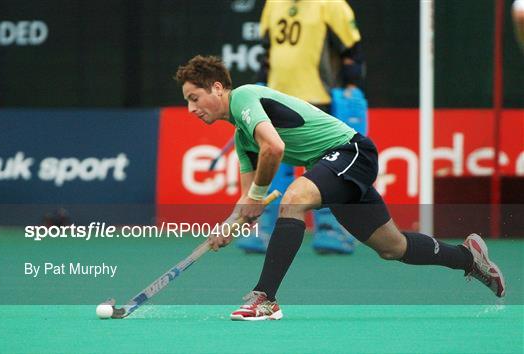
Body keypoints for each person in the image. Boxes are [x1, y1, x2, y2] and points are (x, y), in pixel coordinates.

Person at [174, 55, 506, 321]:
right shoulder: (241, 138)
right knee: (392, 247)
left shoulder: (245, 96)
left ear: (217, 88)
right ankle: (468, 258)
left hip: (351, 152)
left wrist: (255, 200)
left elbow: (273, 149)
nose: (191, 108)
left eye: (195, 97)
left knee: (294, 200)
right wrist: (229, 226)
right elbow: (249, 199)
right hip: (331, 169)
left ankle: (265, 298)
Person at [236, 0, 367, 254]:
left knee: (325, 170)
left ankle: (329, 230)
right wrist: (258, 90)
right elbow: (267, 54)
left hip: (319, 101)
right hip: (275, 100)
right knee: (276, 166)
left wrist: (351, 87)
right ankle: (266, 230)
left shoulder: (332, 5)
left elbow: (352, 51)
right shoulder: (273, 4)